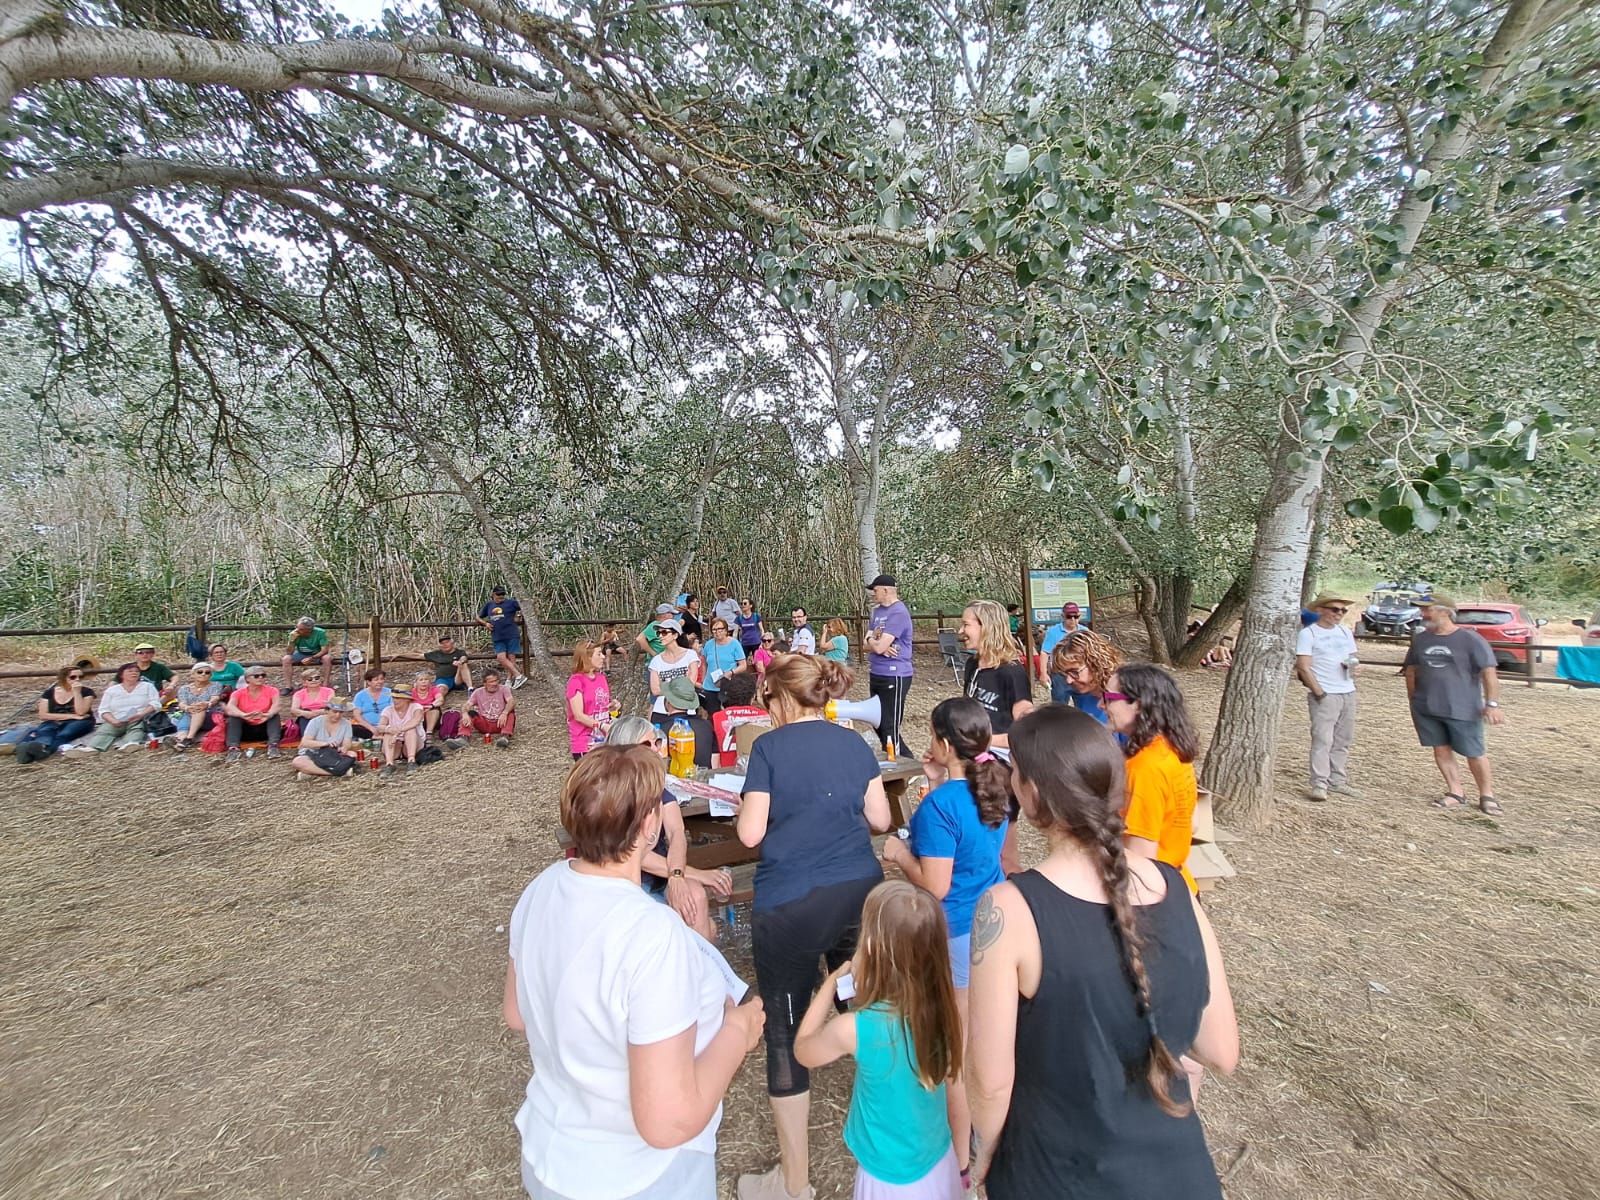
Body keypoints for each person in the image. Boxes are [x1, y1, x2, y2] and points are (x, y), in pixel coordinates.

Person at [966, 705, 1239, 1198]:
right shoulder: (1177, 889)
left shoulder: (1007, 909)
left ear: (1029, 795)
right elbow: (1220, 1050)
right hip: (1177, 1173)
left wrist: (982, 1155)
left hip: (1053, 1172)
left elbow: (989, 1081)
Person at [503, 745, 766, 1200]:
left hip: (549, 1152)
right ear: (649, 825)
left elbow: (517, 1013)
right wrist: (738, 1032)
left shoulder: (541, 887)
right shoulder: (652, 934)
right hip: (635, 1178)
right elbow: (668, 1121)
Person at [735, 655, 892, 1200]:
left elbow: (751, 834)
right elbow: (881, 820)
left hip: (791, 905)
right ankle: (897, 1137)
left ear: (778, 698)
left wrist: (747, 805)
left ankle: (794, 1184)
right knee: (870, 1008)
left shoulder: (767, 749)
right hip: (859, 895)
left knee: (785, 1031)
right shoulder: (852, 742)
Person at [880, 698, 1011, 1190]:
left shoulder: (939, 808)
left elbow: (933, 886)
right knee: (986, 1034)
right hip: (990, 922)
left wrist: (898, 854)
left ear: (940, 742)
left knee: (956, 1051)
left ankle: (961, 1157)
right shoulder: (992, 782)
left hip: (953, 933)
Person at [793, 881, 965, 1200]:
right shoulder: (942, 1006)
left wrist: (831, 982)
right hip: (939, 1162)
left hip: (889, 1180)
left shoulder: (855, 1029)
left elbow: (803, 1049)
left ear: (873, 949)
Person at [607, 716, 735, 940]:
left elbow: (677, 833)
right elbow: (637, 856)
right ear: (625, 750)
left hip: (664, 875)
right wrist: (689, 874)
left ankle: (698, 965)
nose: (657, 750)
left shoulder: (658, 785)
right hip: (628, 882)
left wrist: (677, 876)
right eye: (647, 745)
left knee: (695, 896)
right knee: (684, 922)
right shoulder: (613, 796)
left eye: (657, 742)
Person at [1105, 664, 1201, 891]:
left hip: (1153, 894)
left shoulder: (1144, 767)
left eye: (1108, 697)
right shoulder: (1173, 748)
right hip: (1179, 883)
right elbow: (1193, 824)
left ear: (1138, 704)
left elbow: (1140, 859)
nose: (1101, 704)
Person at [1405, 597, 1504, 814]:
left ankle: (1487, 795)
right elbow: (1412, 669)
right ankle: (1455, 792)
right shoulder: (1421, 639)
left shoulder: (1470, 640)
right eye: (1422, 610)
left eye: (1427, 610)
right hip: (1427, 707)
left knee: (1474, 752)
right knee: (1440, 749)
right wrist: (1413, 699)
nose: (1422, 614)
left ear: (1445, 612)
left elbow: (1489, 673)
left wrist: (1492, 704)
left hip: (1463, 707)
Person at [1295, 593, 1361, 802]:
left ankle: (1337, 780)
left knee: (1343, 739)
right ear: (1321, 610)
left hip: (1347, 690)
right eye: (1335, 609)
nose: (1339, 614)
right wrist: (1319, 692)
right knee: (1323, 739)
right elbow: (1304, 667)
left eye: (1343, 610)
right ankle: (1319, 783)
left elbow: (1352, 656)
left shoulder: (1344, 632)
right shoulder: (1309, 634)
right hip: (1326, 693)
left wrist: (1352, 665)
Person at [957, 600, 1033, 746]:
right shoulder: (972, 664)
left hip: (1000, 758)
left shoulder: (1011, 672)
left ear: (987, 627)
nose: (960, 631)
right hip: (972, 752)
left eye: (966, 625)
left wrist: (982, 742)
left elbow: (1025, 731)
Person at [864, 575, 915, 758]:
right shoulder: (877, 612)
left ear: (886, 590)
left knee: (889, 725)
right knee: (877, 722)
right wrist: (876, 645)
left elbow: (877, 645)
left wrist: (876, 645)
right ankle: (907, 762)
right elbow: (867, 644)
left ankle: (901, 766)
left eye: (875, 590)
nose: (873, 594)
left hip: (894, 674)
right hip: (876, 671)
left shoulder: (898, 613)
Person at [65, 663, 160, 754]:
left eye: (136, 671)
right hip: (116, 718)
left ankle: (130, 744)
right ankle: (92, 748)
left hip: (139, 717)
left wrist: (141, 714)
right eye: (130, 671)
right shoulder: (112, 690)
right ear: (121, 674)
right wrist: (112, 720)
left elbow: (155, 703)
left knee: (137, 729)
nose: (134, 673)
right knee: (104, 731)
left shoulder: (147, 686)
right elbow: (103, 709)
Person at [15, 665, 96, 763]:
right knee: (45, 731)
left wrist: (77, 693)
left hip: (81, 721)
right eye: (73, 677)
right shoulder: (49, 693)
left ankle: (44, 751)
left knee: (65, 734)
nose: (77, 680)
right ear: (64, 678)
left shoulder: (87, 692)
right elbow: (43, 715)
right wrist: (72, 716)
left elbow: (81, 712)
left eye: (80, 677)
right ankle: (36, 748)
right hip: (57, 720)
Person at [1048, 628, 1121, 720]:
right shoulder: (1084, 698)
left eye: (1074, 672)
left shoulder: (1126, 700)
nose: (1068, 681)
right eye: (1064, 674)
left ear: (1096, 664)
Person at [291, 696, 360, 780]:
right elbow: (305, 742)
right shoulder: (315, 722)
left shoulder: (346, 724)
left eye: (341, 712)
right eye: (334, 712)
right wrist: (325, 744)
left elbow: (347, 743)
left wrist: (344, 748)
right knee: (298, 762)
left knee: (352, 755)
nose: (337, 715)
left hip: (333, 753)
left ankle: (312, 772)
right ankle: (337, 772)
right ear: (327, 710)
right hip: (314, 753)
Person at [224, 665, 283, 762]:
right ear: (247, 679)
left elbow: (277, 705)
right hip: (245, 729)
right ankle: (233, 749)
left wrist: (268, 714)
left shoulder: (272, 690)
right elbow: (230, 707)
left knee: (275, 716)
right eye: (256, 676)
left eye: (263, 675)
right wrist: (242, 715)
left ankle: (273, 746)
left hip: (264, 727)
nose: (260, 678)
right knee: (233, 718)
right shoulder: (238, 693)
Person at [712, 672, 769, 768]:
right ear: (753, 696)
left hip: (724, 773)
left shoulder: (716, 717)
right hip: (756, 771)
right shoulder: (764, 716)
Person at [566, 640, 613, 760]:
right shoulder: (576, 681)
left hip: (604, 741)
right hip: (585, 744)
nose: (603, 656)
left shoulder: (601, 678)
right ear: (587, 657)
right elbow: (578, 715)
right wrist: (601, 725)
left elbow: (601, 704)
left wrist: (614, 705)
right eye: (599, 654)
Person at [648, 620, 701, 718]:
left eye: (664, 633)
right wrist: (679, 687)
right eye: (658, 633)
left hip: (687, 708)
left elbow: (690, 684)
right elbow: (655, 690)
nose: (660, 636)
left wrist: (665, 687)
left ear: (675, 635)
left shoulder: (690, 655)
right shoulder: (656, 661)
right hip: (661, 710)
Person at [659, 677, 715, 769]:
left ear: (668, 701)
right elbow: (715, 763)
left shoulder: (660, 729)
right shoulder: (706, 726)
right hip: (704, 779)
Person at [477, 586, 528, 689]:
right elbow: (478, 617)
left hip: (511, 634)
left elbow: (525, 607)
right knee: (501, 658)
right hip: (497, 635)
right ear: (493, 594)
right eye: (498, 594)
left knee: (511, 658)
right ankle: (518, 675)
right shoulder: (489, 605)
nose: (501, 596)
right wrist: (485, 624)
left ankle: (509, 681)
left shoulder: (511, 603)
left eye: (503, 594)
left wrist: (518, 615)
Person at [699, 618, 747, 715]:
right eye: (714, 630)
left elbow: (743, 665)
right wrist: (703, 681)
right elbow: (704, 664)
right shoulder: (708, 645)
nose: (717, 632)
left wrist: (731, 672)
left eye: (720, 629)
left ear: (726, 630)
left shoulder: (735, 644)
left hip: (729, 684)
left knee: (731, 714)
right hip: (711, 685)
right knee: (713, 715)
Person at [171, 662, 223, 750]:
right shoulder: (184, 688)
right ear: (193, 674)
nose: (203, 674)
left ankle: (189, 738)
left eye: (207, 672)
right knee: (185, 720)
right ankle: (180, 742)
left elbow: (215, 698)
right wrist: (188, 708)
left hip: (210, 715)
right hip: (189, 713)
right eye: (200, 672)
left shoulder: (216, 685)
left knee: (199, 709)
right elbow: (182, 703)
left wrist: (207, 704)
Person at [376, 683, 424, 777]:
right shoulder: (388, 710)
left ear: (406, 699)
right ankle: (389, 764)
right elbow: (380, 726)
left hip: (413, 742)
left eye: (398, 698)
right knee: (388, 732)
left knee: (410, 730)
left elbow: (415, 721)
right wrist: (389, 729)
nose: (394, 701)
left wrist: (397, 731)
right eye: (394, 698)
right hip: (396, 744)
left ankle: (411, 761)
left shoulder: (416, 707)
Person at [1035, 603, 1084, 682]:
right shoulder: (1053, 632)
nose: (1072, 619)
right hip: (1059, 674)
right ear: (1063, 616)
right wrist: (1043, 673)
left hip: (1080, 673)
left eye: (1075, 617)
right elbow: (1045, 653)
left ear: (1079, 616)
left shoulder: (1085, 631)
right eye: (1069, 617)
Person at [468, 669, 517, 748]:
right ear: (484, 683)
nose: (495, 684)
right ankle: (463, 737)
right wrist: (464, 713)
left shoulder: (504, 689)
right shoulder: (477, 692)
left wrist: (504, 713)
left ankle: (504, 737)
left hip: (501, 723)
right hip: (485, 723)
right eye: (491, 682)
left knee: (510, 712)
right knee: (469, 713)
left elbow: (511, 701)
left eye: (496, 680)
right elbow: (467, 705)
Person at [280, 616, 332, 690]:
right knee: (286, 659)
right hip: (301, 653)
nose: (297, 630)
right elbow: (289, 652)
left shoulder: (320, 632)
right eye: (296, 627)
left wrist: (312, 658)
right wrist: (292, 641)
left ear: (309, 630)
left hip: (317, 653)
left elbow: (324, 650)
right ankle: (288, 686)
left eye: (300, 629)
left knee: (327, 658)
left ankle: (325, 685)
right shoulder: (294, 634)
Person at [351, 667, 391, 740]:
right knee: (352, 728)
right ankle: (377, 737)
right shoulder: (360, 695)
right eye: (376, 680)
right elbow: (356, 715)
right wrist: (371, 728)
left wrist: (382, 727)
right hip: (367, 727)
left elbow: (394, 711)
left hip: (386, 726)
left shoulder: (390, 693)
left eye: (381, 679)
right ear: (368, 682)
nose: (380, 681)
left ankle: (380, 736)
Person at [411, 670, 446, 736]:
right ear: (416, 682)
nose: (424, 682)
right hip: (417, 716)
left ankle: (429, 733)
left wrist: (431, 705)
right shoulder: (412, 691)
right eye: (421, 680)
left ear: (429, 682)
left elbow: (440, 699)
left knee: (435, 709)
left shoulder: (434, 689)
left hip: (431, 715)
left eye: (426, 679)